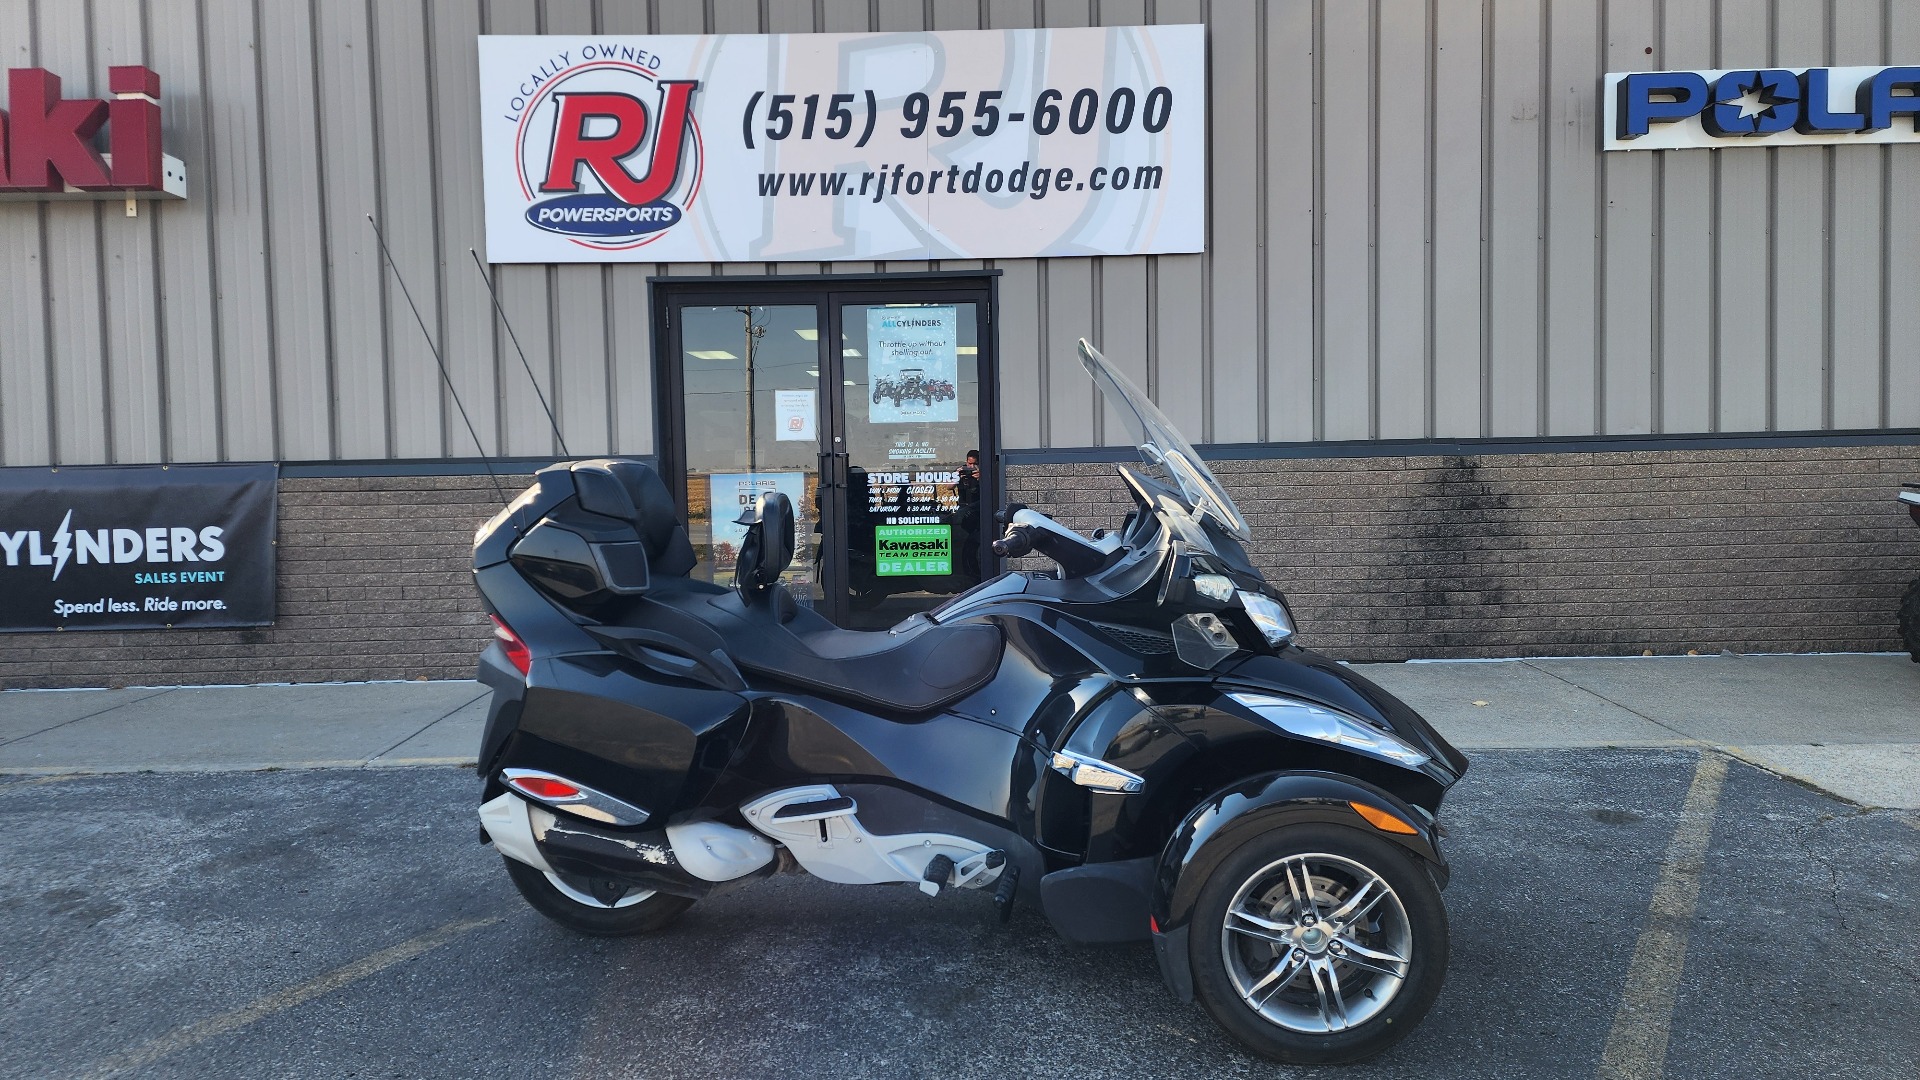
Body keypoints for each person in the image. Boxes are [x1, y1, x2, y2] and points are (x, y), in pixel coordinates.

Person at [956, 450, 982, 585]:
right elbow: (948, 487)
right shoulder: (961, 472)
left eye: (974, 464)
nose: (971, 467)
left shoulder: (983, 473)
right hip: (964, 511)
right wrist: (957, 475)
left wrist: (980, 477)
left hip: (978, 512)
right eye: (968, 463)